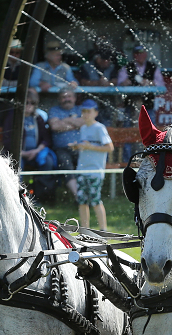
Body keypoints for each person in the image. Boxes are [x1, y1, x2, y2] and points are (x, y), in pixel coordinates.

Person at [69, 99, 112, 230]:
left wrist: (89, 146)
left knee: (95, 201)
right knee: (82, 201)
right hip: (82, 170)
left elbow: (109, 147)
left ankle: (103, 230)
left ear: (95, 113)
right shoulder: (83, 128)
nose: (85, 114)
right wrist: (78, 146)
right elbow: (88, 146)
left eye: (89, 111)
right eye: (83, 111)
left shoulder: (99, 128)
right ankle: (84, 230)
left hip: (95, 170)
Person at [17, 89, 57, 204]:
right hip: (18, 153)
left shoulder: (38, 118)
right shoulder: (14, 117)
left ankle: (39, 197)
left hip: (36, 153)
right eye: (27, 102)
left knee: (48, 162)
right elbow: (8, 139)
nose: (29, 105)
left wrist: (36, 151)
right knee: (16, 164)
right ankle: (17, 198)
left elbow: (46, 139)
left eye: (32, 103)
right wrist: (22, 153)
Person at [47, 87, 85, 199]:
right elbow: (54, 126)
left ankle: (86, 194)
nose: (66, 99)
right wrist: (75, 124)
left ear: (74, 98)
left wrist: (64, 121)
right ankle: (78, 197)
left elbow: (86, 123)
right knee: (66, 166)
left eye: (69, 96)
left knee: (84, 166)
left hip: (81, 147)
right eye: (63, 97)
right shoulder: (54, 110)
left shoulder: (80, 109)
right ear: (59, 99)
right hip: (61, 149)